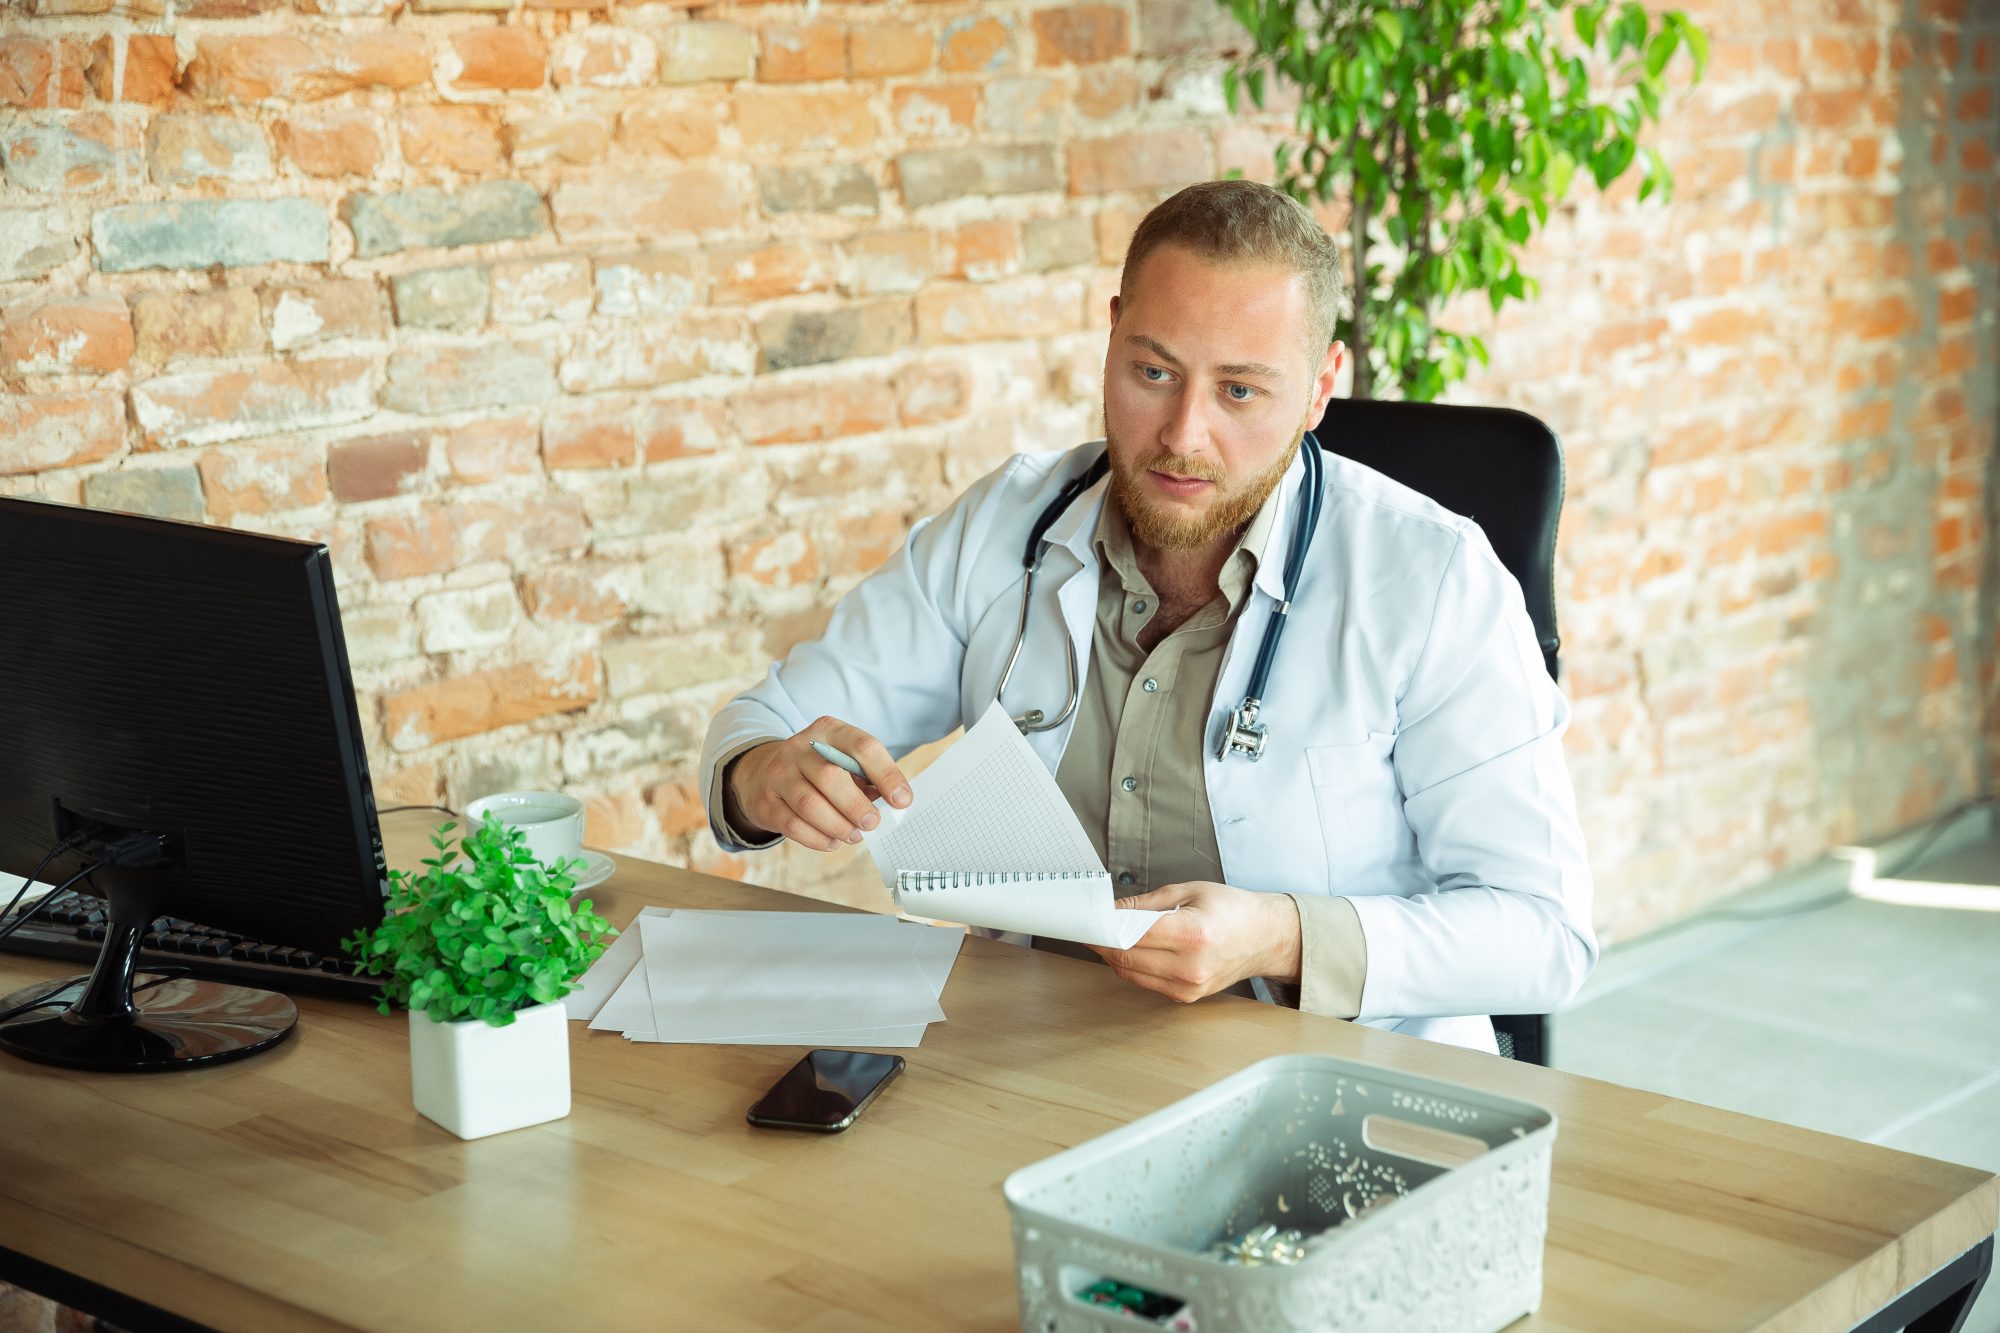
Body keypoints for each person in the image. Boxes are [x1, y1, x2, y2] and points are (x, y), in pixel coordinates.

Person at [699, 179, 1595, 1054]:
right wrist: (762, 775)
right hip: (1035, 1063)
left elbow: (1544, 932)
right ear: (1113, 331)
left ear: (1322, 387)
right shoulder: (1006, 526)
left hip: (1335, 1079)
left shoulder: (1435, 579)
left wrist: (1284, 938)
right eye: (1153, 371)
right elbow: (763, 725)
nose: (1182, 433)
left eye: (1240, 391)